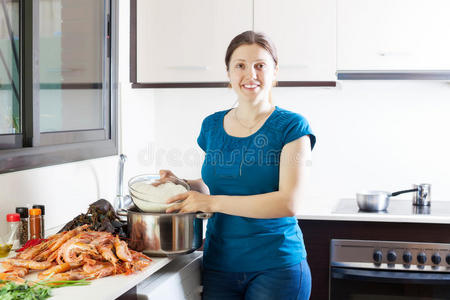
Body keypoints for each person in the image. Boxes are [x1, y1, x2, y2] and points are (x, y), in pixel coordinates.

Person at [161, 30, 315, 300]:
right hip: (220, 265)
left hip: (276, 267)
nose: (250, 74)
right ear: (229, 73)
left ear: (275, 71)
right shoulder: (211, 126)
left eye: (260, 65)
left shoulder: (292, 127)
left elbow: (288, 202)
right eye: (240, 65)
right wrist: (183, 184)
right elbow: (218, 184)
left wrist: (211, 203)